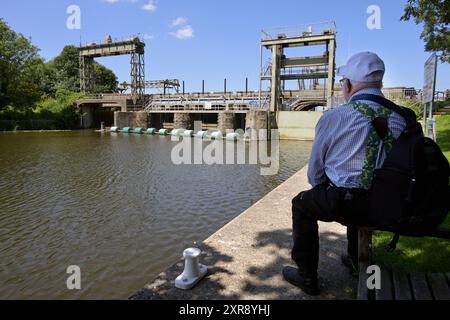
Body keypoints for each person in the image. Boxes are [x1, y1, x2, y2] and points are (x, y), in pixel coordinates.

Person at [282, 52, 407, 295]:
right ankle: (353, 259)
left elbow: (315, 174)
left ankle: (307, 276)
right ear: (379, 84)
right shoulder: (403, 118)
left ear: (348, 85)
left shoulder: (334, 117)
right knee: (365, 191)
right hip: (390, 206)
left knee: (302, 204)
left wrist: (323, 188)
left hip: (347, 205)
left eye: (343, 83)